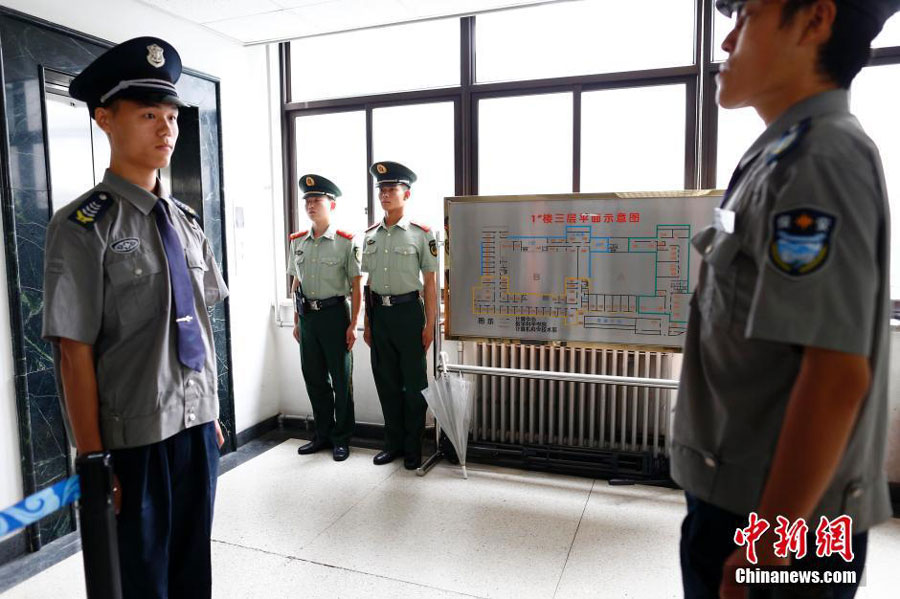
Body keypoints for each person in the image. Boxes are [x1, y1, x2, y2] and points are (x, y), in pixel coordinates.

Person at [671, 1, 899, 597]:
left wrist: (766, 547)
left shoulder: (821, 159)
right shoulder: (781, 153)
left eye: (746, 14)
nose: (727, 41)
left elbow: (835, 377)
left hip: (779, 524)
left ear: (816, 21)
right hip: (749, 500)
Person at [41, 37, 228, 599]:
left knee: (192, 569)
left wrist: (209, 411)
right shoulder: (82, 226)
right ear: (105, 119)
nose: (166, 129)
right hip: (134, 440)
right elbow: (73, 350)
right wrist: (95, 459)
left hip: (196, 427)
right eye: (149, 115)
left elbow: (199, 320)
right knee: (139, 579)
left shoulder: (187, 221)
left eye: (170, 116)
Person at [362, 161, 438, 470]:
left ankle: (413, 447)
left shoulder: (422, 233)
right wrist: (366, 324)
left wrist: (431, 324)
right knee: (387, 383)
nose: (384, 195)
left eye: (391, 189)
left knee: (414, 385)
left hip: (409, 314)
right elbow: (367, 284)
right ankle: (392, 444)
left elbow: (431, 284)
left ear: (406, 194)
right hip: (380, 315)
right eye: (381, 190)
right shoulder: (369, 236)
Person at [288, 174, 362, 461]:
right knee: (314, 378)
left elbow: (356, 285)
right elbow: (296, 282)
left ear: (331, 204)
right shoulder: (298, 242)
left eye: (317, 200)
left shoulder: (345, 242)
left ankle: (342, 437)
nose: (310, 205)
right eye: (307, 200)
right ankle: (322, 434)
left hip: (335, 315)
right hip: (308, 318)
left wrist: (354, 323)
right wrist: (296, 320)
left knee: (341, 380)